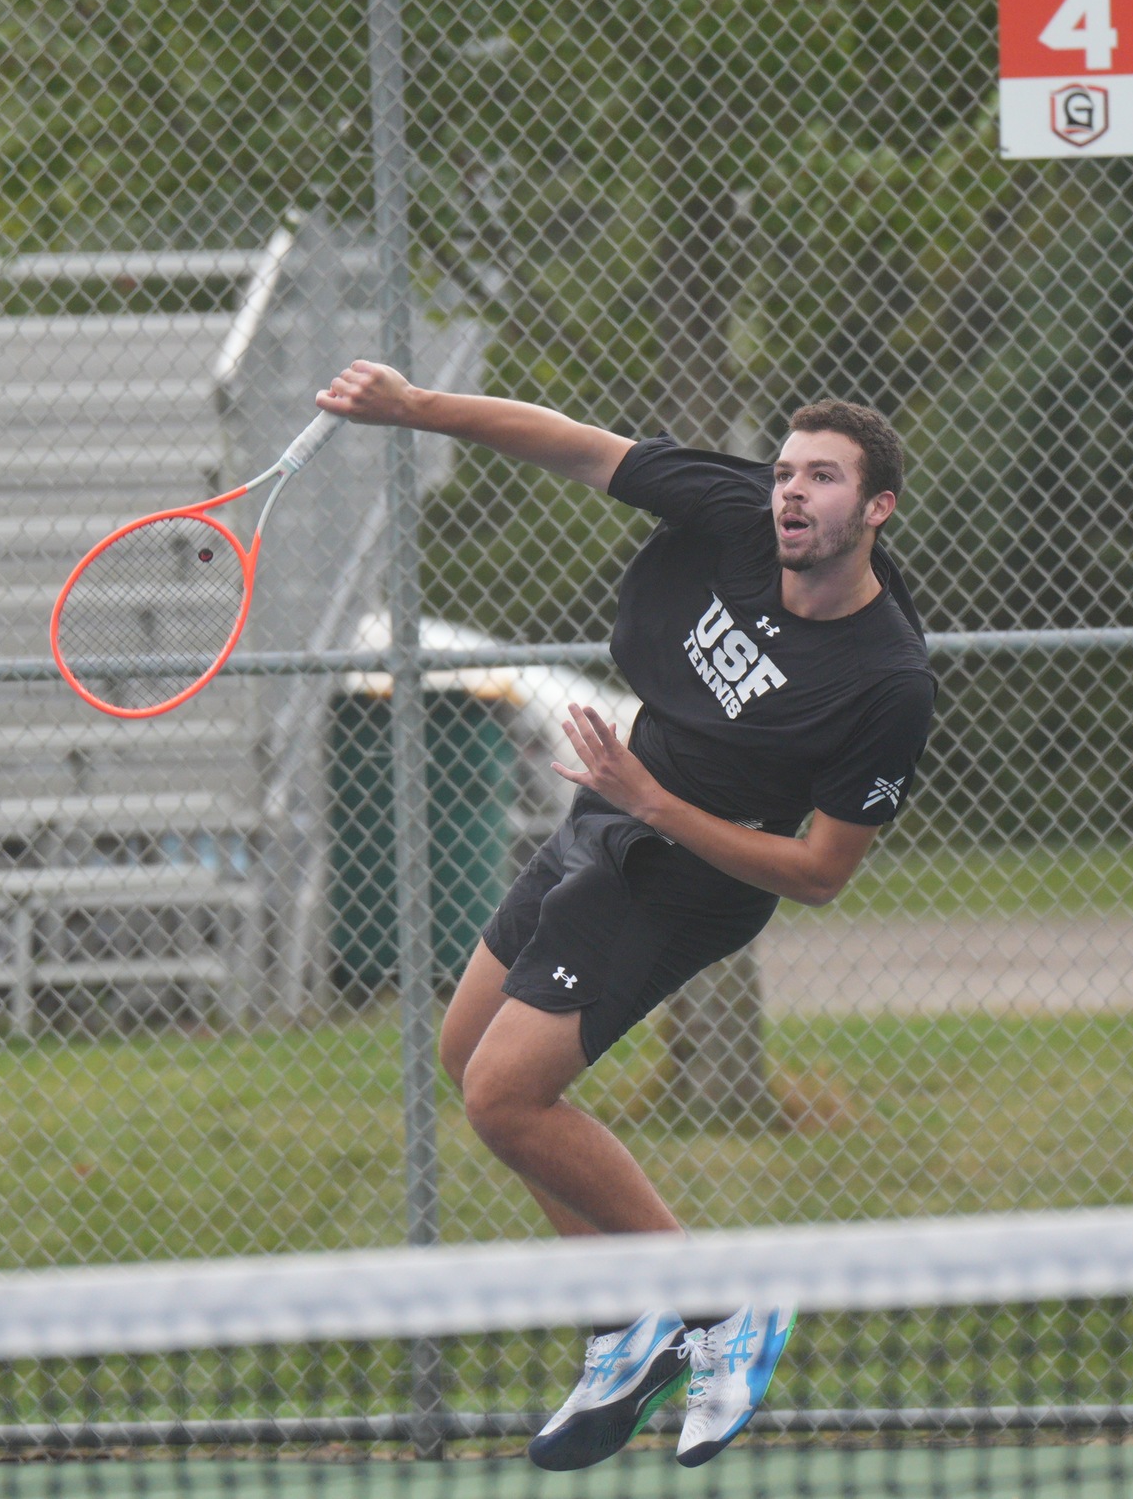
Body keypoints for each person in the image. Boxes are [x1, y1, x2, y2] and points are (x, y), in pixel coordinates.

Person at [315, 362, 937, 1469]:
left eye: (824, 479)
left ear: (874, 509)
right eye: (787, 471)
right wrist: (412, 409)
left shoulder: (884, 680)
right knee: (467, 1057)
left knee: (507, 1096)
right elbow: (571, 440)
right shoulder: (737, 512)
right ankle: (627, 1323)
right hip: (606, 816)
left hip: (684, 879)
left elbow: (820, 871)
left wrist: (656, 803)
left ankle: (720, 1306)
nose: (792, 492)